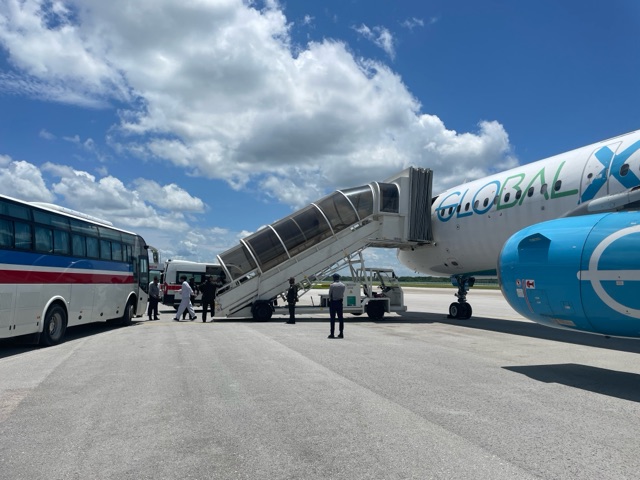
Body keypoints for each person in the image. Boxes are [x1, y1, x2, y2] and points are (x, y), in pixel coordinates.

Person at [328, 273, 346, 338]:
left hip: (333, 302)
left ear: (334, 278)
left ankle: (332, 333)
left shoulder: (332, 285)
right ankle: (341, 332)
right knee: (340, 318)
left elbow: (330, 294)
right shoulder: (343, 285)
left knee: (332, 318)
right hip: (340, 302)